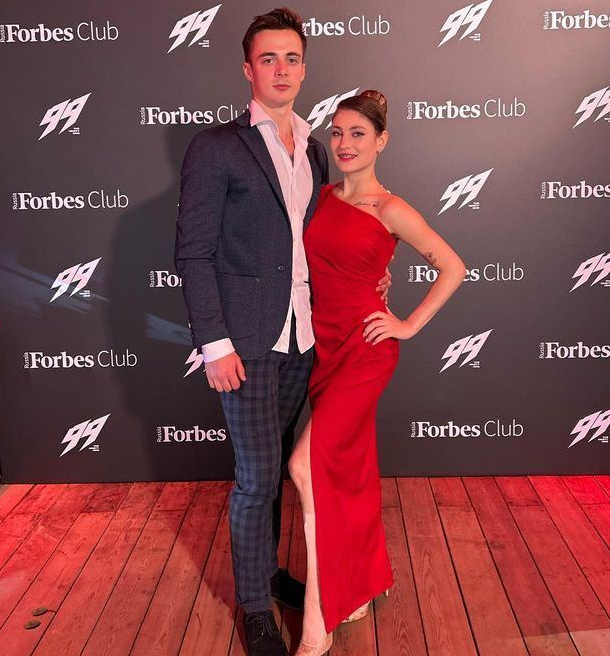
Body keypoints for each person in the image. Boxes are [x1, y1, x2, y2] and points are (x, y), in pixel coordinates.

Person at [174, 9, 390, 656]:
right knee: (257, 477)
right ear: (248, 69)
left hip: (305, 339)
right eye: (268, 58)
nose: (281, 69)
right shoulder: (216, 147)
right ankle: (254, 609)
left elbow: (323, 239)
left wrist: (370, 275)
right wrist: (214, 345)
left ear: (303, 68)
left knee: (271, 474)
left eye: (292, 58)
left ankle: (267, 572)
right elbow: (193, 253)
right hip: (244, 344)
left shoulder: (318, 149)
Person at [287, 90, 467, 656]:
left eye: (358, 134)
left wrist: (407, 324)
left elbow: (452, 266)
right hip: (324, 349)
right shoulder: (320, 196)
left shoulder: (390, 209)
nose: (344, 144)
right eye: (338, 132)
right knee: (350, 470)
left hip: (366, 351)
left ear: (381, 141)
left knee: (305, 465)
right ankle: (362, 584)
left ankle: (320, 614)